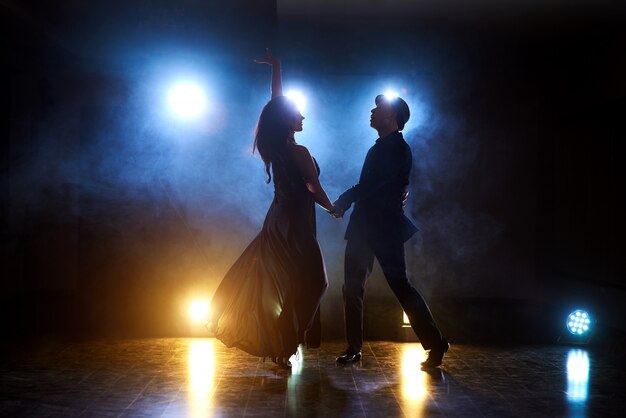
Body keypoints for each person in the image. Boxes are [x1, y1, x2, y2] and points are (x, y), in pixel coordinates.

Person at [208, 50, 334, 368]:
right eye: (298, 114)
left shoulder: (275, 147)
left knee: (293, 284)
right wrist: (334, 208)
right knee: (317, 283)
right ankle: (285, 343)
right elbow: (313, 188)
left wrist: (277, 69)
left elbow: (277, 105)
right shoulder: (299, 151)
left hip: (278, 223)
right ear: (287, 120)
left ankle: (282, 345)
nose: (303, 116)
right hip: (295, 225)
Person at [332, 94, 449, 368]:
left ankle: (436, 343)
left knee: (400, 286)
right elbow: (373, 187)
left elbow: (373, 186)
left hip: (384, 228)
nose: (372, 111)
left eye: (379, 108)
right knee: (352, 289)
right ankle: (354, 347)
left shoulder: (396, 149)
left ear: (392, 118)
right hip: (365, 227)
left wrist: (345, 200)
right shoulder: (380, 147)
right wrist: (348, 202)